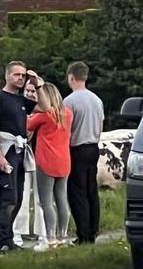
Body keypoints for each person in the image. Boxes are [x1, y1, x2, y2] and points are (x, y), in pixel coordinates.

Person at [0, 61, 40, 254]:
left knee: (17, 198)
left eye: (23, 75)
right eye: (17, 75)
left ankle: (10, 240)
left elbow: (46, 106)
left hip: (20, 152)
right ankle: (4, 242)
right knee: (7, 198)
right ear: (7, 76)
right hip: (7, 151)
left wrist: (37, 83)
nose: (20, 78)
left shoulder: (21, 100)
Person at [28, 82, 74, 249]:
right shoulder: (67, 113)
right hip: (64, 160)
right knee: (62, 198)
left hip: (46, 160)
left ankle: (51, 238)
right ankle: (63, 237)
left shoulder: (45, 115)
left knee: (46, 201)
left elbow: (27, 125)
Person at [64, 61, 104, 244]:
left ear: (71, 77)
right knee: (91, 190)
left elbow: (66, 128)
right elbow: (101, 125)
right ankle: (94, 230)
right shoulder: (97, 100)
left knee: (77, 192)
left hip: (77, 148)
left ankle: (83, 234)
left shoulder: (69, 101)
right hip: (94, 146)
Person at [12, 78, 46, 245]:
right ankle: (18, 233)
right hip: (23, 157)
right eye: (28, 91)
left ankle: (42, 234)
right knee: (21, 196)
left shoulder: (44, 112)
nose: (31, 94)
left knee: (42, 198)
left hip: (41, 159)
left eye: (34, 91)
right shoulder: (20, 109)